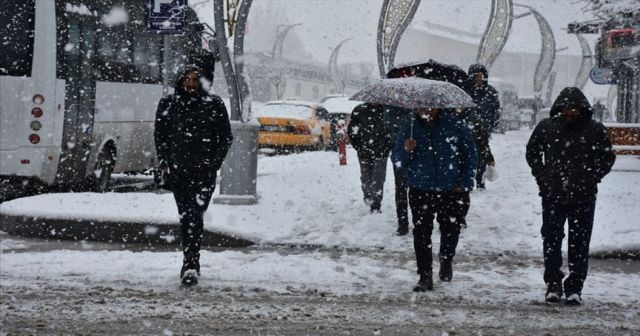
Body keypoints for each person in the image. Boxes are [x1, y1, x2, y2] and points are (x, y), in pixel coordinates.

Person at [526, 87, 615, 305]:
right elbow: (532, 152)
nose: (570, 112)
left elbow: (607, 157)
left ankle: (575, 287)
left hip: (583, 197)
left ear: (582, 108)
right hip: (553, 195)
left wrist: (592, 177)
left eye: (574, 107)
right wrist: (543, 176)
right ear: (560, 107)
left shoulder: (594, 129)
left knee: (580, 244)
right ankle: (553, 284)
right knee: (552, 242)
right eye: (567, 107)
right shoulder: (547, 127)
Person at [154, 65, 233, 287]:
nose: (190, 84)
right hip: (179, 172)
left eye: (194, 79)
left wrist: (213, 163)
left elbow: (226, 137)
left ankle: (190, 262)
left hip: (204, 173)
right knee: (186, 216)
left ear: (202, 82)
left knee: (195, 216)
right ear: (180, 81)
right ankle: (190, 262)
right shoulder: (168, 103)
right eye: (186, 79)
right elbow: (160, 135)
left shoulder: (214, 104)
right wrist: (165, 162)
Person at [392, 108, 477, 291]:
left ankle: (446, 259)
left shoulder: (455, 125)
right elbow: (397, 160)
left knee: (451, 229)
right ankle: (425, 275)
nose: (426, 108)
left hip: (451, 189)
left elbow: (470, 154)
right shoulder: (410, 126)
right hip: (420, 189)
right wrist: (406, 150)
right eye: (422, 104)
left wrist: (464, 182)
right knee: (421, 233)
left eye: (430, 104)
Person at [347, 103, 392, 213]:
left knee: (378, 179)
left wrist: (387, 147)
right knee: (366, 178)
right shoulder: (359, 110)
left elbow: (391, 130)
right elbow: (352, 131)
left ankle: (376, 205)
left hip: (381, 153)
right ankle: (367, 195)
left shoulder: (387, 111)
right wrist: (359, 148)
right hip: (364, 152)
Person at [466, 64, 500, 189]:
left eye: (481, 75)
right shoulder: (466, 91)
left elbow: (496, 111)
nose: (479, 78)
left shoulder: (491, 92)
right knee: (468, 156)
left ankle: (480, 180)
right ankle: (468, 180)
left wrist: (490, 126)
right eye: (476, 76)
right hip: (468, 129)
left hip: (483, 130)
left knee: (482, 156)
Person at [383, 105, 411, 235]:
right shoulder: (390, 108)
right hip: (399, 152)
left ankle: (415, 220)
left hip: (418, 154)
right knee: (400, 188)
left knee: (417, 190)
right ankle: (403, 222)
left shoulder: (418, 108)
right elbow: (388, 126)